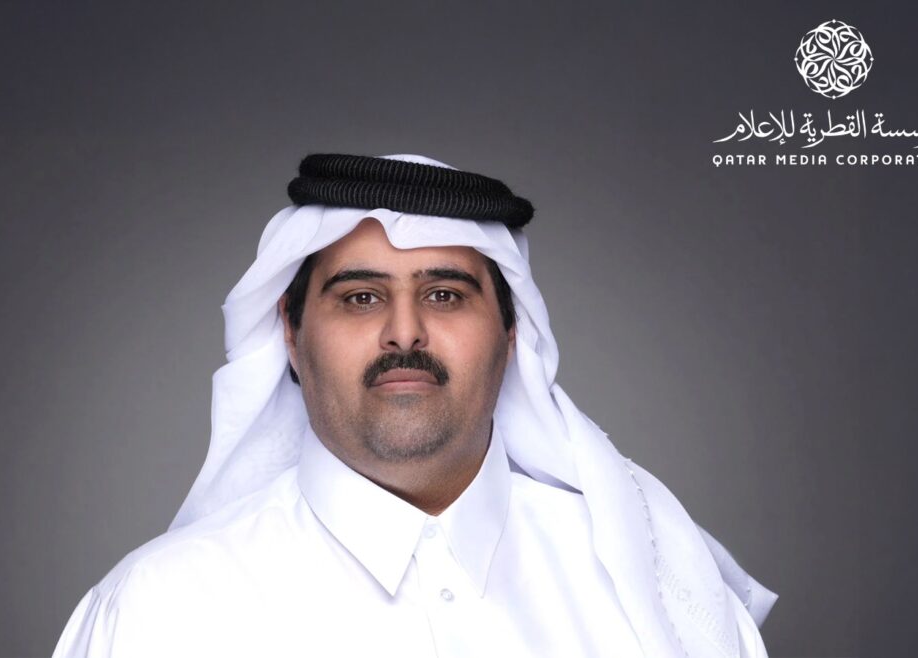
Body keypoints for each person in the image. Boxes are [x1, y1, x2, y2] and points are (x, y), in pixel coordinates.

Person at [52, 154, 776, 657]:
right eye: (361, 298)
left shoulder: (656, 592)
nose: (405, 331)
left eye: (445, 295)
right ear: (292, 337)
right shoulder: (160, 610)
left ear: (511, 336)